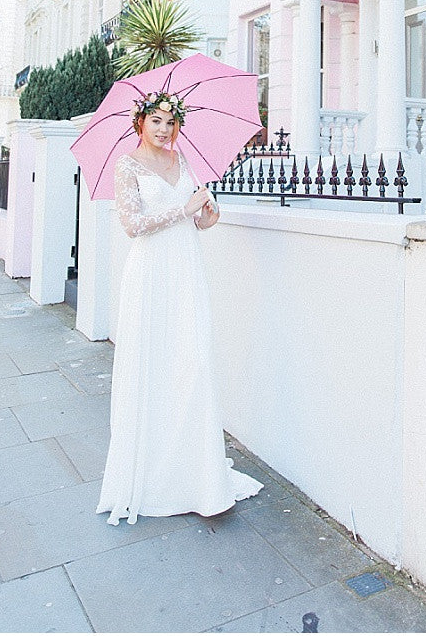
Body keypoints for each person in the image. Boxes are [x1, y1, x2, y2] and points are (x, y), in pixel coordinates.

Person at [96, 90, 263, 526]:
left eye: (171, 122)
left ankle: (196, 473)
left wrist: (207, 210)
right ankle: (153, 475)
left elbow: (203, 222)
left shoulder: (184, 162)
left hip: (187, 268)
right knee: (153, 363)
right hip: (151, 273)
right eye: (156, 121)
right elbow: (133, 225)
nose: (164, 129)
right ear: (140, 123)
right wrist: (181, 206)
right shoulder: (126, 165)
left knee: (192, 363)